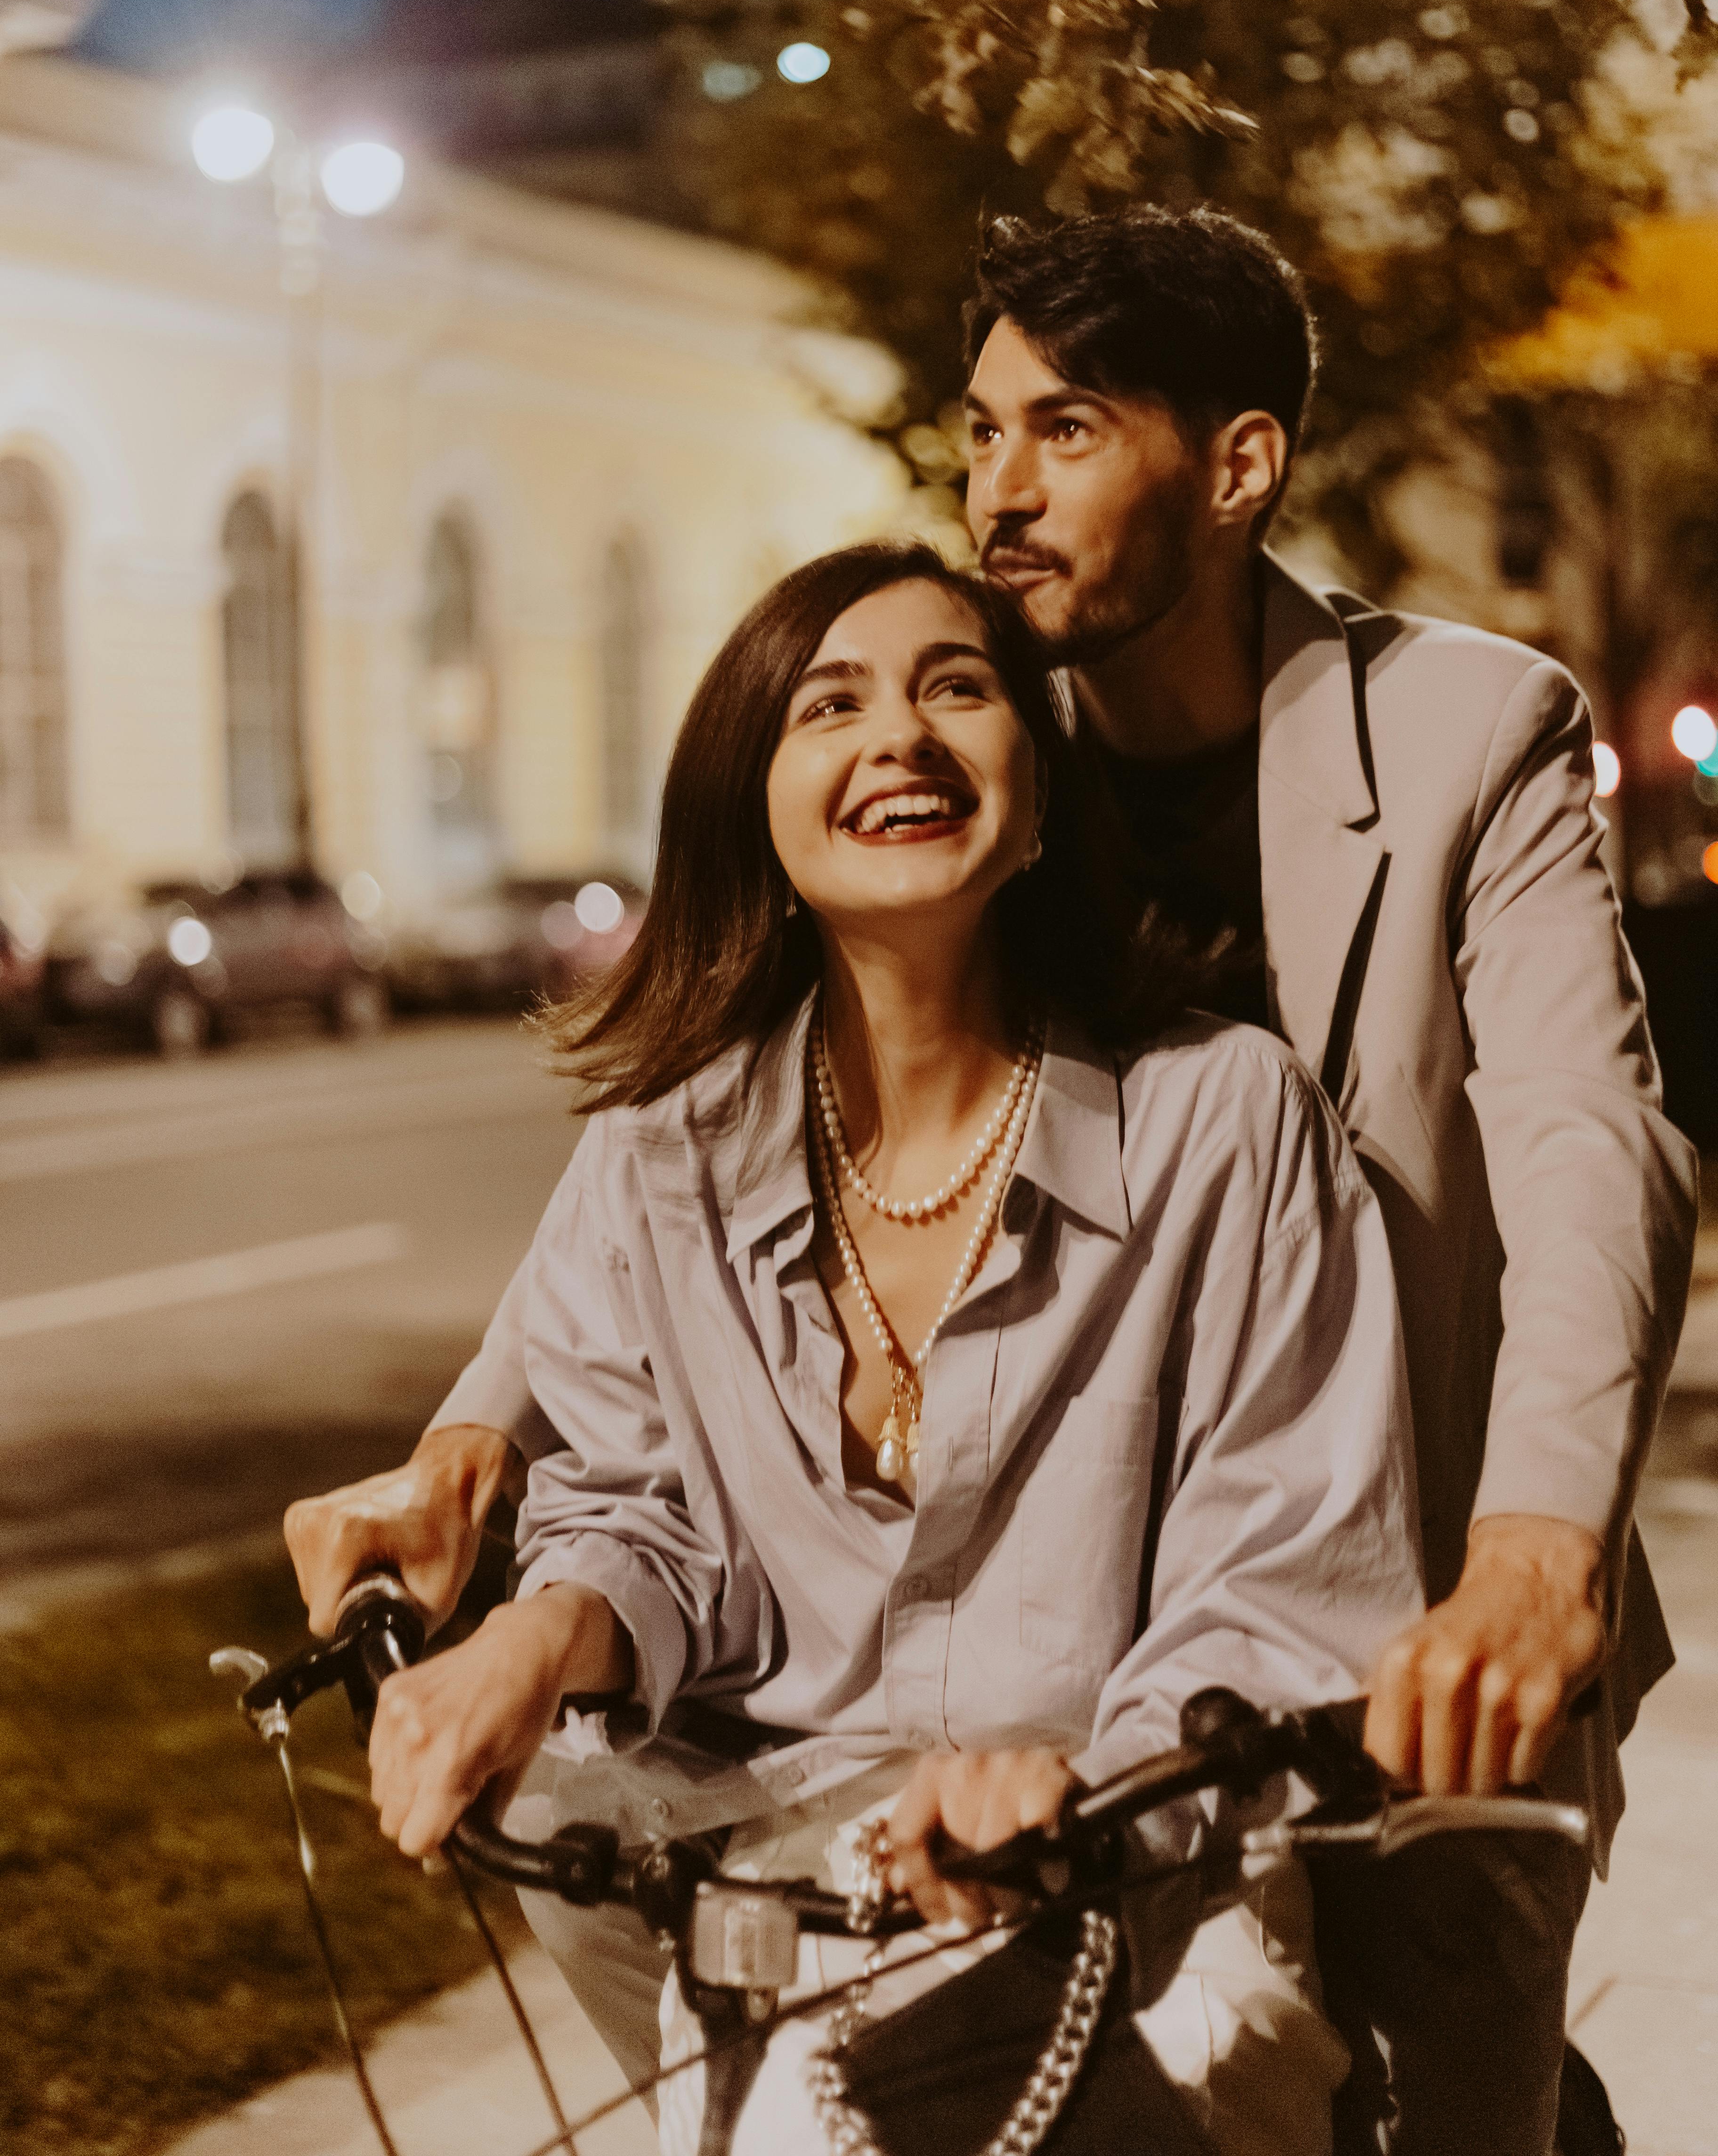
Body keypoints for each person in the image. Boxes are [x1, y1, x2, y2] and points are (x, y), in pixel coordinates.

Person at [288, 206, 1696, 2151]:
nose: (999, 491)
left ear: (1238, 466)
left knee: (1466, 2070)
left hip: (1428, 1556)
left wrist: (1535, 1555)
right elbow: (676, 1196)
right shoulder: (991, 718)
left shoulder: (1460, 733)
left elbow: (1586, 1143)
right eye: (983, 431)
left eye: (1070, 430)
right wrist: (473, 1445)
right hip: (1055, 1708)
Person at [351, 541, 1424, 2156]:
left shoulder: (1224, 1120)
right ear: (755, 814)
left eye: (958, 689)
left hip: (1144, 1888)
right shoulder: (659, 1162)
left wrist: (1076, 1786)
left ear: (1041, 791)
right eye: (827, 705)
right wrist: (534, 1635)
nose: (900, 739)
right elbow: (644, 1517)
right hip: (769, 1898)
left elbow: (1287, 1577)